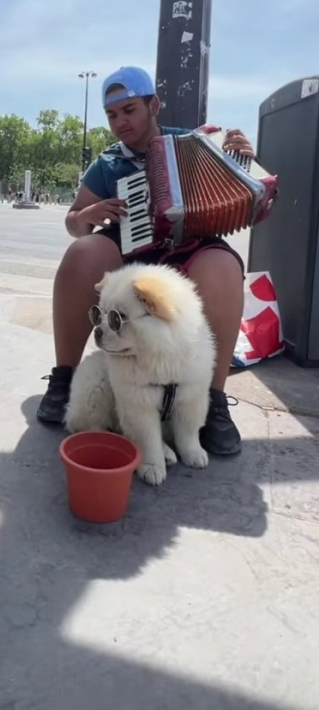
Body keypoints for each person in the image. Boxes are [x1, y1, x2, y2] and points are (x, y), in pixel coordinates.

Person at [37, 66, 254, 457]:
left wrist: (245, 159)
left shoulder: (196, 143)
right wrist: (89, 214)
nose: (121, 122)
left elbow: (247, 187)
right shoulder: (107, 164)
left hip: (191, 245)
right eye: (112, 115)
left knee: (224, 270)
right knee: (82, 253)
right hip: (131, 249)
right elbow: (74, 222)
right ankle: (63, 376)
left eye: (130, 110)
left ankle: (215, 400)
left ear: (153, 105)